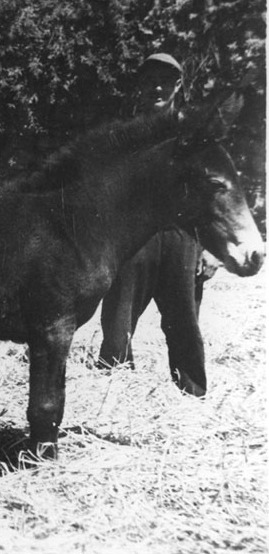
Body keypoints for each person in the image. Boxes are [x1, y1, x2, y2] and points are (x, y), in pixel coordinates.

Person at [98, 53, 216, 395]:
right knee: (118, 325)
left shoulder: (193, 133)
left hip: (182, 237)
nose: (158, 87)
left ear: (179, 85)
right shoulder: (125, 135)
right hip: (134, 240)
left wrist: (210, 249)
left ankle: (192, 396)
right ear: (140, 85)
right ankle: (112, 396)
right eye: (151, 79)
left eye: (166, 80)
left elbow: (211, 193)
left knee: (185, 324)